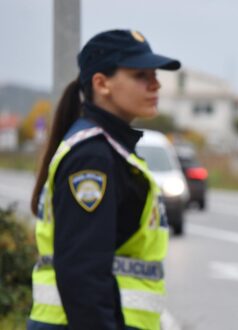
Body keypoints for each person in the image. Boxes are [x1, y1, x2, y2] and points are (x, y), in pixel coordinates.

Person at [27, 30, 180, 330]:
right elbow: (82, 273)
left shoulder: (110, 149)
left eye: (155, 74)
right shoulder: (93, 157)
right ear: (101, 83)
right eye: (140, 75)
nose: (156, 84)